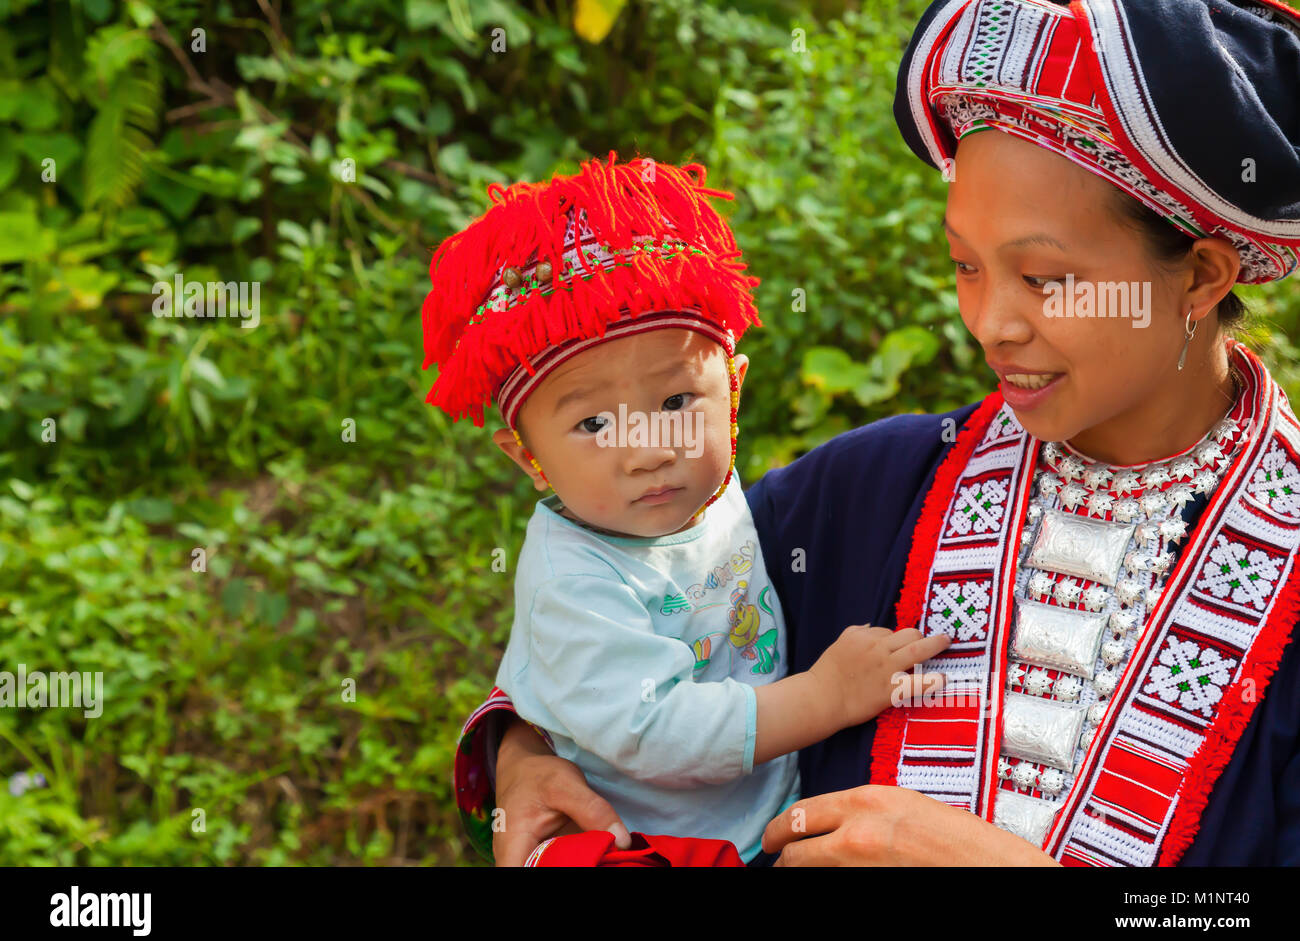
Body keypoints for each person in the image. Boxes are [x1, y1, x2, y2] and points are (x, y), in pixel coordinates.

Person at [454, 0, 1300, 866]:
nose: (991, 325)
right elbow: (634, 599)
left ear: (1199, 277)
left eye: (1044, 278)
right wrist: (523, 748)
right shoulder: (872, 490)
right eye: (964, 266)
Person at [425, 155, 948, 865]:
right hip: (653, 843)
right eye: (594, 425)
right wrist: (826, 697)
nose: (647, 450)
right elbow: (654, 729)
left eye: (676, 402)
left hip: (760, 806)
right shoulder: (571, 579)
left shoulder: (704, 490)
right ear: (528, 457)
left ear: (731, 389)